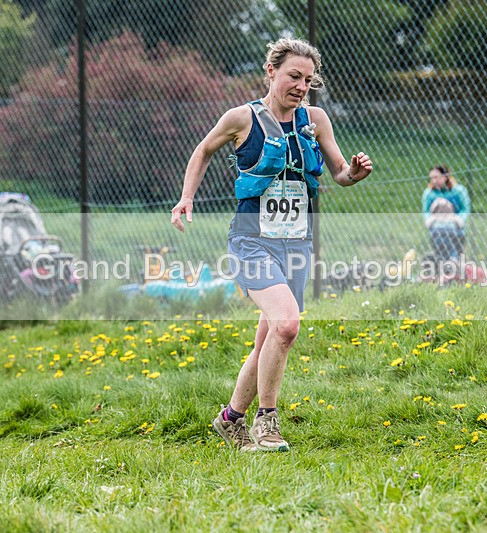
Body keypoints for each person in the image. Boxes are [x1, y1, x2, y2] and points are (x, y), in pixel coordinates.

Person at [171, 38, 372, 452]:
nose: (301, 86)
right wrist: (186, 197)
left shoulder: (315, 119)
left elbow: (338, 174)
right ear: (271, 72)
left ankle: (230, 420)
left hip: (297, 244)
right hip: (252, 241)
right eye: (293, 76)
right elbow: (203, 150)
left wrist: (354, 171)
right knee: (286, 325)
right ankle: (267, 422)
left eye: (308, 80)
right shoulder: (241, 118)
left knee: (268, 341)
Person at [421, 165, 470, 261]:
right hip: (437, 225)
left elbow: (465, 209)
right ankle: (452, 261)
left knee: (448, 229)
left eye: (436, 177)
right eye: (432, 178)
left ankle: (451, 260)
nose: (434, 181)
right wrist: (429, 220)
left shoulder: (458, 191)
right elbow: (426, 212)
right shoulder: (429, 193)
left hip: (454, 225)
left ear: (445, 177)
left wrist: (459, 219)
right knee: (439, 229)